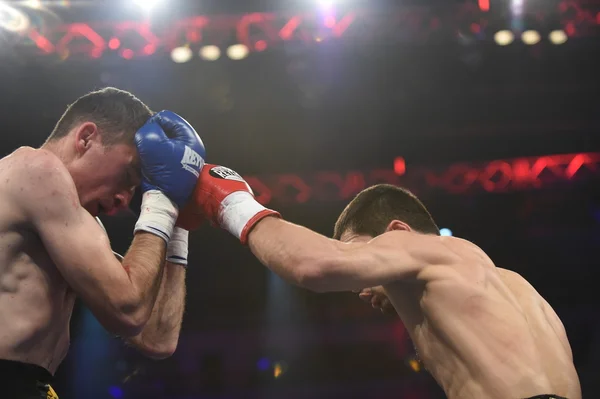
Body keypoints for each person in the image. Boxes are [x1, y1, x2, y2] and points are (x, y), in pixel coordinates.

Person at [179, 164, 582, 399]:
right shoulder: (515, 287)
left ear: (398, 231)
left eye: (364, 256)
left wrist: (230, 202)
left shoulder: (436, 250)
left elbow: (313, 266)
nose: (362, 287)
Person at [0, 87, 206, 398]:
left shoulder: (74, 222)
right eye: (130, 174)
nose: (126, 199)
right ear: (85, 138)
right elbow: (128, 309)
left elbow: (157, 338)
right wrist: (162, 199)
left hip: (27, 383)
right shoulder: (36, 169)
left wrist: (178, 223)